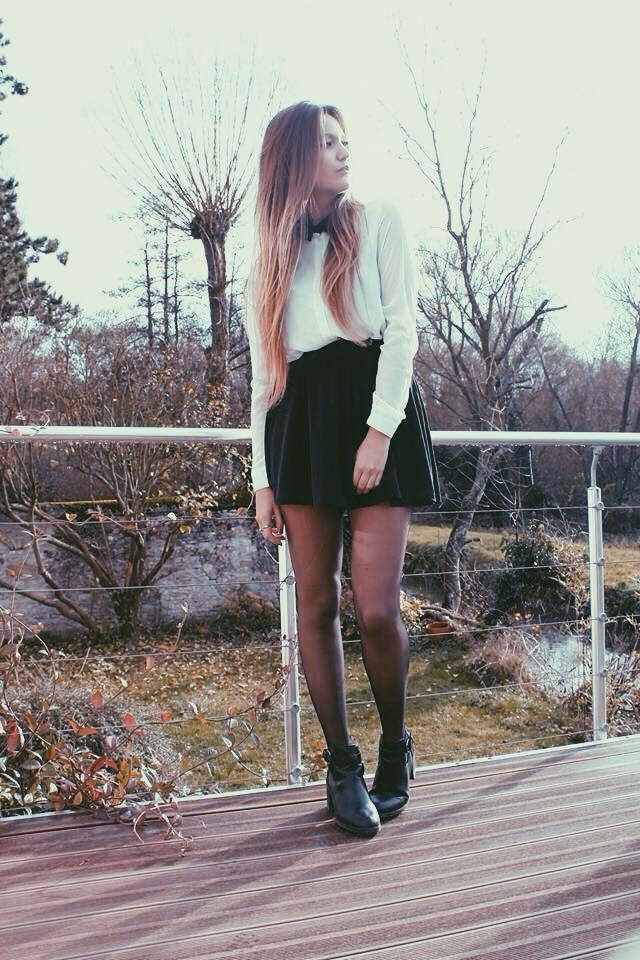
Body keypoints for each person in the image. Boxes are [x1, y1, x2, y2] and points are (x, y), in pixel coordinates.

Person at [244, 101, 441, 838]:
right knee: (316, 605)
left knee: (376, 607)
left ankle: (395, 745)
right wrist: (262, 479)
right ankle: (341, 765)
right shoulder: (267, 254)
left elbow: (403, 329)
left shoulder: (380, 220)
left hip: (372, 406)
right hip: (299, 423)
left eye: (344, 140)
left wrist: (379, 432)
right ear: (296, 157)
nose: (343, 152)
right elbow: (263, 376)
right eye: (328, 143)